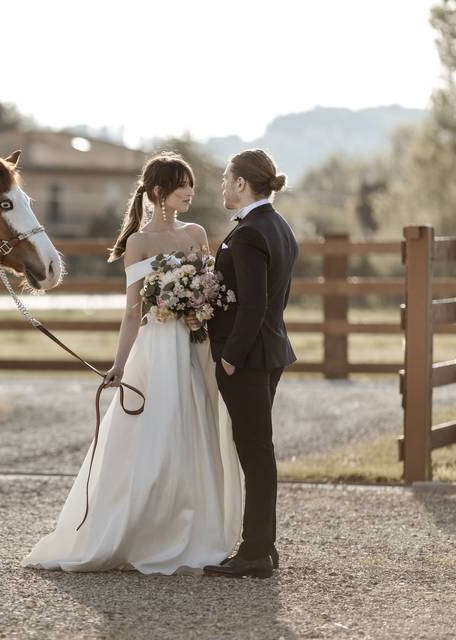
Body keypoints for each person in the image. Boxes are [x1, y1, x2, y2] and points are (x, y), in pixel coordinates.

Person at [22, 152, 243, 574]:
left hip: (194, 346)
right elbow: (131, 311)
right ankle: (142, 531)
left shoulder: (197, 234)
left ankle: (193, 528)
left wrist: (200, 306)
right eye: (183, 185)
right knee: (154, 437)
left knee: (192, 432)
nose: (191, 192)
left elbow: (212, 290)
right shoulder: (138, 244)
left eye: (192, 185)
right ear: (159, 191)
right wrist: (119, 365)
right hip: (157, 350)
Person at [203, 149, 297, 579]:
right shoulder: (278, 226)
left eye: (226, 178)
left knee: (255, 453)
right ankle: (263, 546)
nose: (223, 184)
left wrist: (230, 357)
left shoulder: (249, 233)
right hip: (270, 350)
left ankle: (256, 551)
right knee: (259, 451)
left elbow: (255, 303)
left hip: (249, 358)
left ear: (242, 183)